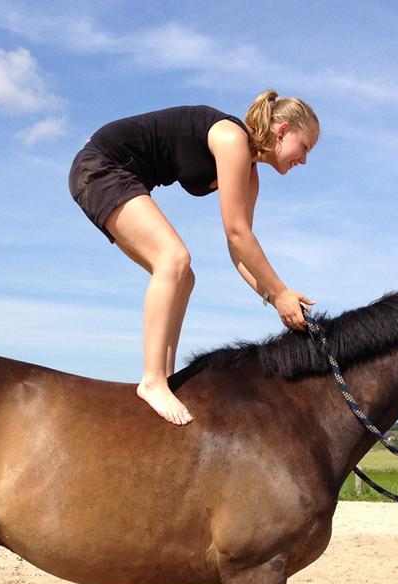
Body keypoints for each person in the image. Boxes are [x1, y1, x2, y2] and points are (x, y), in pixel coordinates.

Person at [68, 90, 319, 425]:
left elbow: (238, 250)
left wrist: (277, 299)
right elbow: (237, 233)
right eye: (305, 147)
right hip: (101, 166)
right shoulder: (231, 138)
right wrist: (281, 291)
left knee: (184, 277)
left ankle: (167, 378)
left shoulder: (250, 175)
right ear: (283, 131)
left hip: (119, 175)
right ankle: (152, 380)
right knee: (173, 259)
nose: (305, 159)